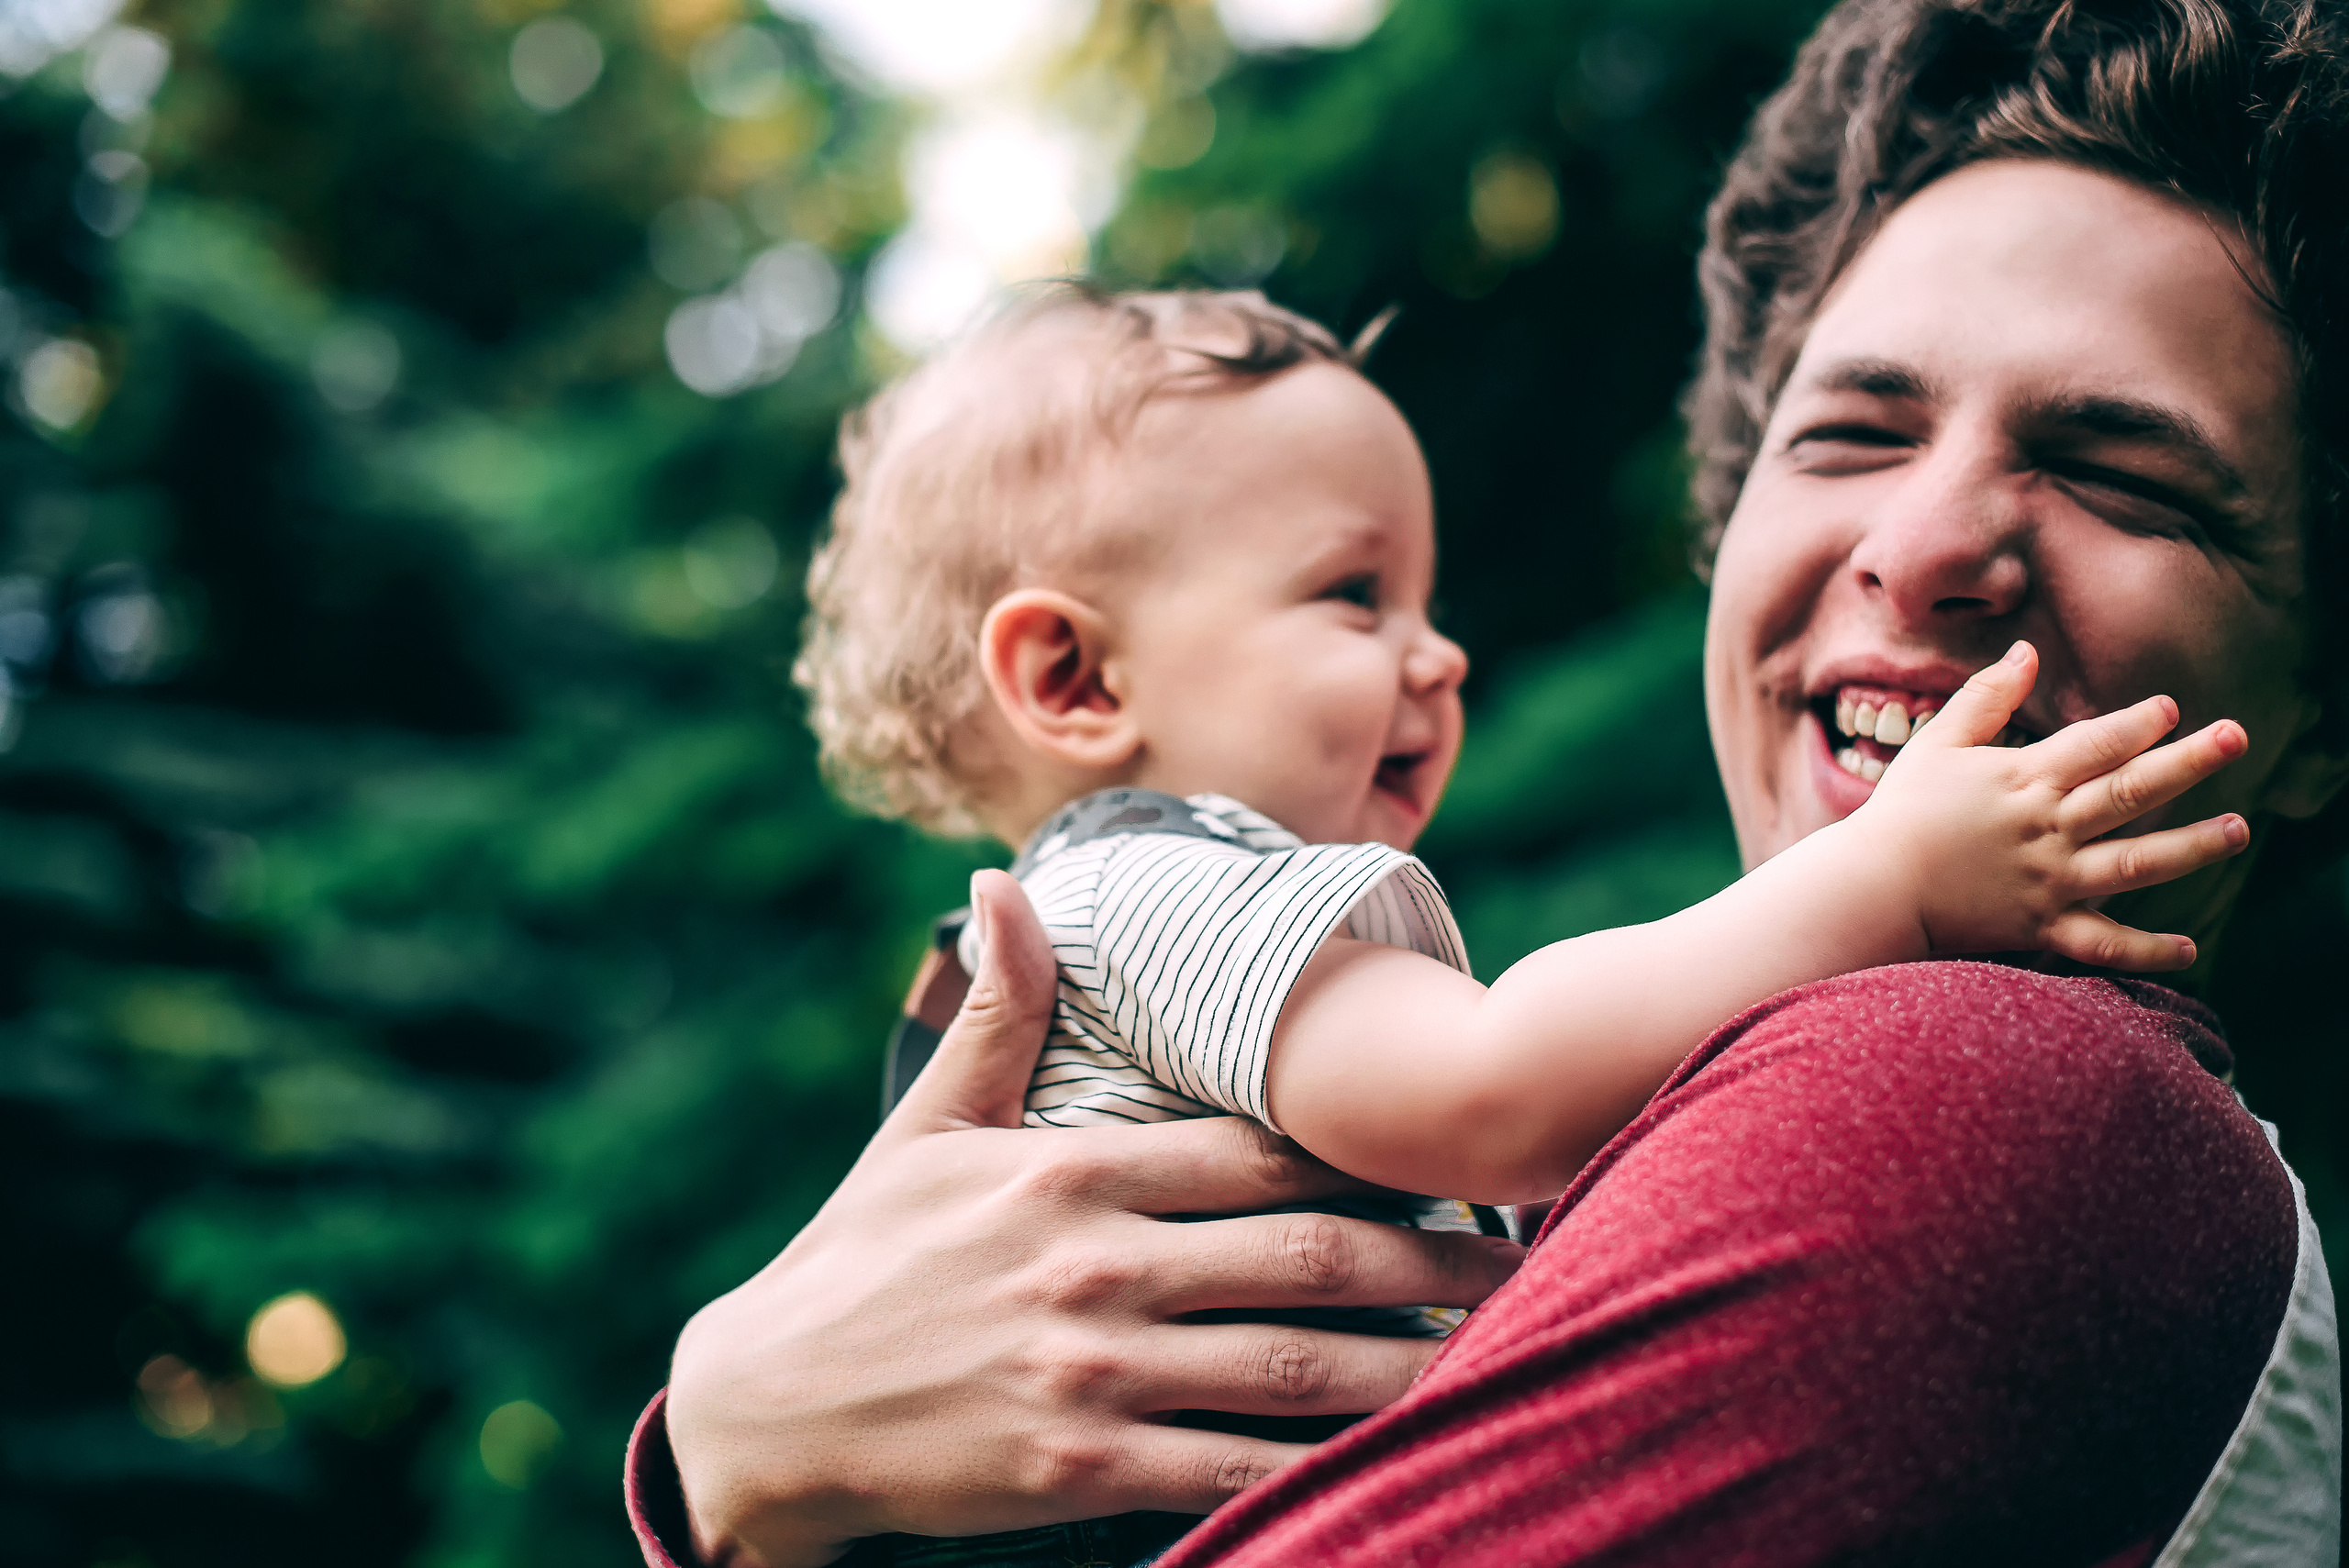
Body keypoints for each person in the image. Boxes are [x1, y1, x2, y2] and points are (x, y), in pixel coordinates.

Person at [631, 0, 2348, 1562]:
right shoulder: (1156, 887)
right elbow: (1492, 1076)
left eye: (2124, 477)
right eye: (1850, 435)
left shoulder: (2005, 1102)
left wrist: (725, 1465)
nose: (1920, 550)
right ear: (1075, 677)